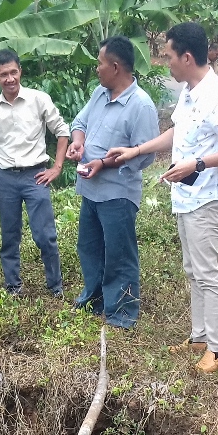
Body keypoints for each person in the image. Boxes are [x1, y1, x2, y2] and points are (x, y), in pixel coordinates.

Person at [108, 22, 218, 373]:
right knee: (192, 269)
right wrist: (135, 150)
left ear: (187, 57)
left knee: (206, 271)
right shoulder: (189, 92)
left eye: (169, 56)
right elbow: (177, 131)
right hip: (187, 195)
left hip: (207, 195)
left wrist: (196, 164)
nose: (165, 61)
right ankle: (200, 336)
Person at [66, 36, 160, 327]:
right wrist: (78, 144)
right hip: (90, 188)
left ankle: (122, 312)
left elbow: (144, 156)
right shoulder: (99, 94)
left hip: (118, 193)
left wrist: (103, 163)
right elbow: (79, 123)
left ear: (116, 67)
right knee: (90, 246)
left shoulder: (141, 105)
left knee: (119, 252)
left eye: (100, 64)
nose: (97, 69)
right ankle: (94, 300)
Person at [0, 49, 70, 297]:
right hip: (6, 178)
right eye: (3, 75)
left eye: (13, 72)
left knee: (45, 235)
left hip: (35, 176)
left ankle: (55, 287)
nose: (10, 78)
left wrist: (57, 167)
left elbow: (62, 132)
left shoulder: (38, 99)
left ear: (20, 71)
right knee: (9, 236)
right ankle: (13, 287)